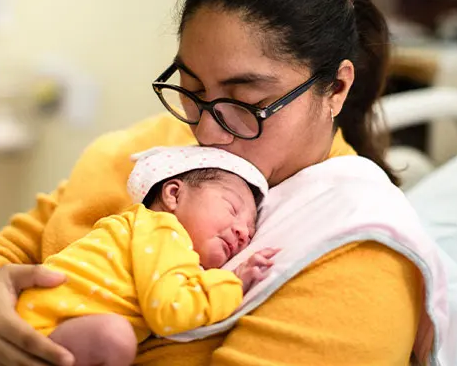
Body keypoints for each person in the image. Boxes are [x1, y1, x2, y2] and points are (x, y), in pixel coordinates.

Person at [0, 0, 429, 365]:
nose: (205, 129)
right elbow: (7, 248)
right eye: (192, 89)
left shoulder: (357, 249)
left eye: (245, 100)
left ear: (336, 87)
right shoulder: (153, 151)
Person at [15, 146, 277, 366]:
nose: (243, 231)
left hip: (41, 329)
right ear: (173, 194)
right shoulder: (163, 229)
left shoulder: (140, 230)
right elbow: (171, 311)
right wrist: (233, 282)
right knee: (113, 337)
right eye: (232, 208)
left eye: (251, 230)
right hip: (39, 333)